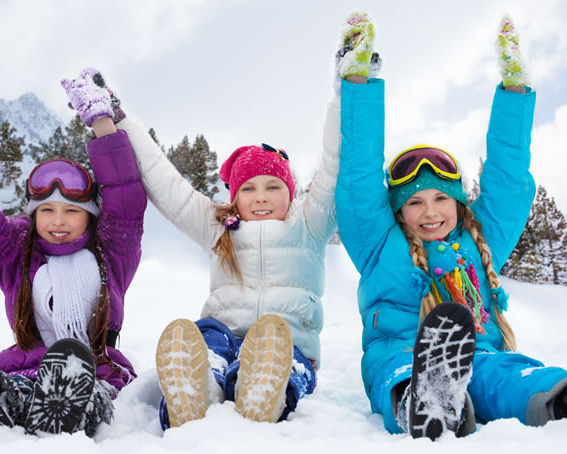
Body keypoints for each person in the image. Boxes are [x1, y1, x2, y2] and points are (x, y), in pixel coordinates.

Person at [334, 15, 567, 440]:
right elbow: (357, 176)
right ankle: (427, 407)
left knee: (507, 375)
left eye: (441, 198)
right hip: (399, 355)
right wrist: (358, 83)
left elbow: (508, 179)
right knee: (402, 377)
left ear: (459, 203)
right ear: (397, 210)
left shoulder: (482, 239)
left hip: (481, 353)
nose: (430, 211)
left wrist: (515, 90)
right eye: (415, 203)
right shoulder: (379, 242)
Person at [95, 15, 375, 429]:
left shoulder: (310, 222)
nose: (260, 196)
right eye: (248, 189)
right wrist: (120, 119)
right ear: (234, 197)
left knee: (281, 355)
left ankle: (265, 387)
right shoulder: (218, 226)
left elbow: (335, 161)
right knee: (206, 348)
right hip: (221, 331)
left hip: (287, 341)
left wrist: (346, 86)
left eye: (271, 187)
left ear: (290, 191)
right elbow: (165, 182)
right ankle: (195, 391)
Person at [0, 68, 146, 437]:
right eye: (47, 210)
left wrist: (101, 120)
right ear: (33, 215)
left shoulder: (111, 251)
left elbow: (125, 195)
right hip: (28, 365)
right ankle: (1, 404)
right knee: (14, 387)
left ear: (90, 215)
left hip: (97, 368)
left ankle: (71, 406)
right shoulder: (14, 255)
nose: (58, 220)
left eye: (71, 211)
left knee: (92, 393)